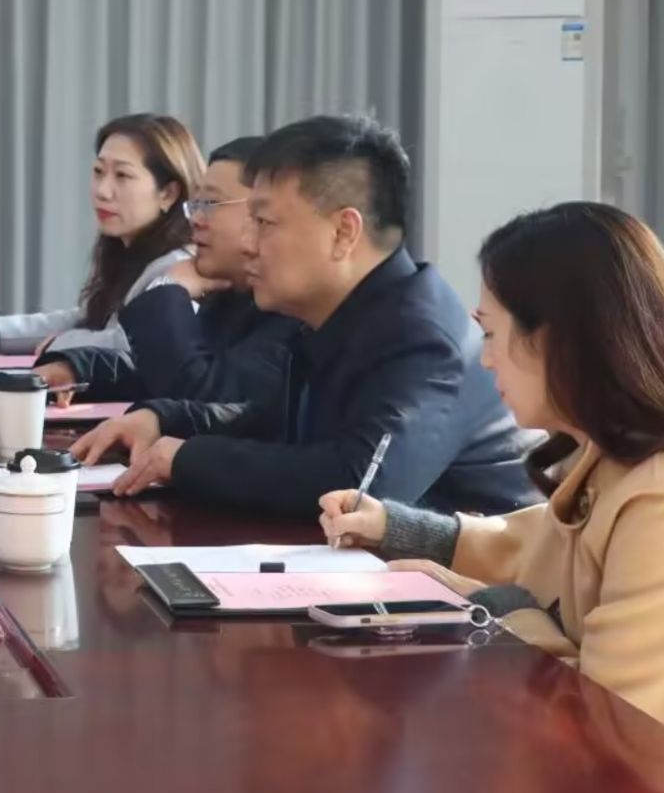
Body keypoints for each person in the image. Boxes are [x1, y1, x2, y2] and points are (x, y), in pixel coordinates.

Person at [320, 201, 664, 724]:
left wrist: (498, 608)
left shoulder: (653, 499)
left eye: (489, 333)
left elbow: (615, 721)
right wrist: (398, 529)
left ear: (554, 339)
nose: (484, 358)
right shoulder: (607, 454)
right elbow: (536, 544)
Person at [100, 113, 532, 514]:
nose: (248, 243)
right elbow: (270, 419)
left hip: (466, 570)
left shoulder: (424, 338)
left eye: (264, 222)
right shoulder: (337, 312)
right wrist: (164, 419)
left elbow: (360, 483)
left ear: (344, 232)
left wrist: (189, 458)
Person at [69, 137, 300, 460]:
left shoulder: (291, 311)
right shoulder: (229, 295)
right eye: (197, 204)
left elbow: (201, 397)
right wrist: (76, 369)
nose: (196, 219)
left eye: (211, 204)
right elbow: (157, 376)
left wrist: (168, 287)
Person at [0, 117, 203, 387]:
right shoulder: (133, 252)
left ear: (168, 194)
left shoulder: (176, 266)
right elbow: (89, 318)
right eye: (98, 171)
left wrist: (65, 344)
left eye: (122, 175)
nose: (102, 191)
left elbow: (135, 342)